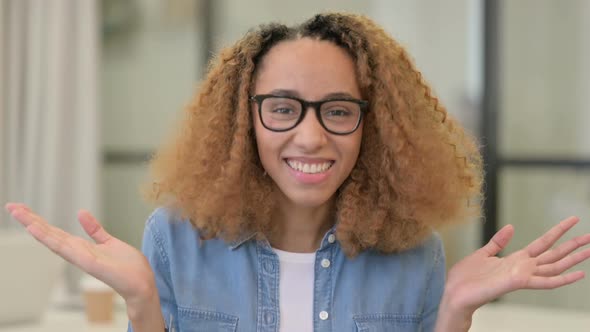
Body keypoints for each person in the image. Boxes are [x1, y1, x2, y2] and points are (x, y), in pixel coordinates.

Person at [5, 13, 590, 332]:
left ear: (372, 126)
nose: (309, 136)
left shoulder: (417, 253)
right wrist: (142, 307)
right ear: (244, 120)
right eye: (283, 108)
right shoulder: (176, 238)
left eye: (338, 111)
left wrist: (454, 315)